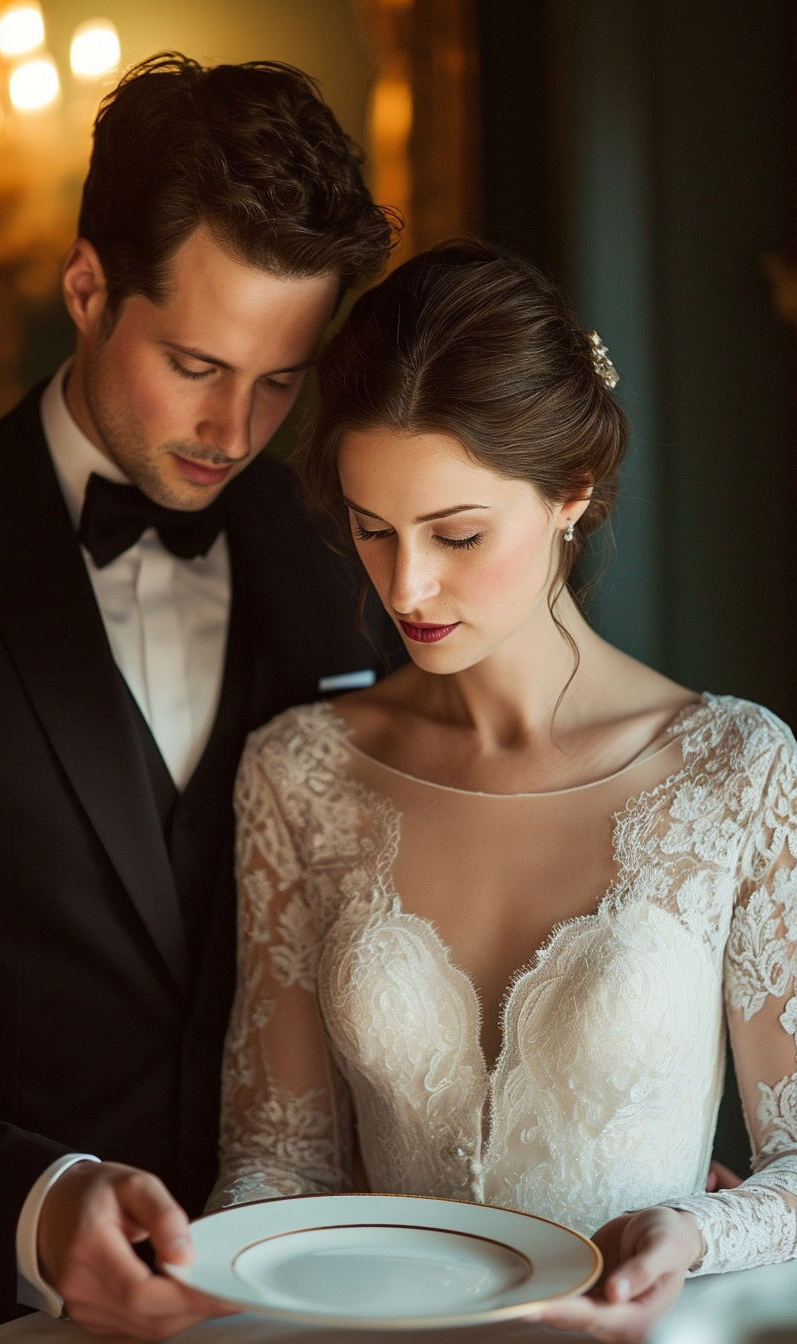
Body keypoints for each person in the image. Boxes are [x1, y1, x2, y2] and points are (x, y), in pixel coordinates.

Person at [211, 241, 797, 1342]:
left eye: (456, 532)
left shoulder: (735, 768)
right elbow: (272, 1169)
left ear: (570, 492)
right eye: (371, 529)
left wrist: (692, 1232)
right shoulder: (296, 772)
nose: (405, 586)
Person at [0, 53, 401, 1344]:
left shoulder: (357, 566)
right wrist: (33, 1201)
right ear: (85, 287)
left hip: (311, 1300)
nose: (234, 431)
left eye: (280, 380)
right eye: (195, 361)